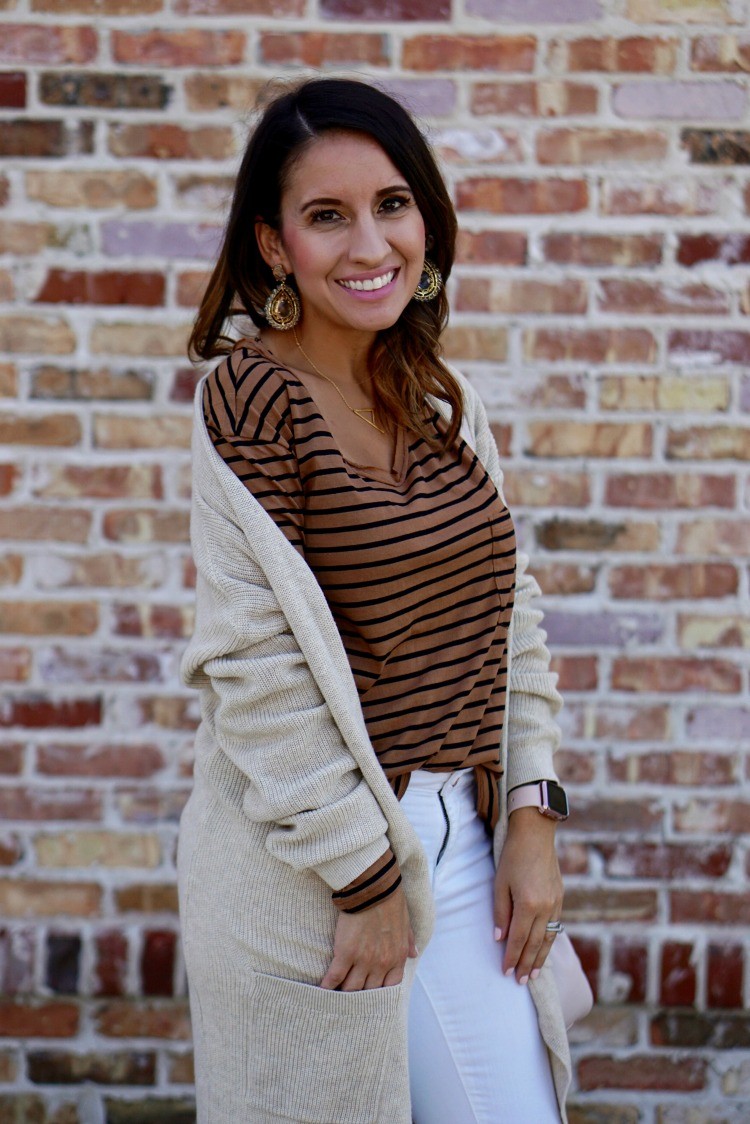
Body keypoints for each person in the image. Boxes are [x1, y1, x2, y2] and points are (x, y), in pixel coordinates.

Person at [178, 76, 572, 1124]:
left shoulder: (439, 396)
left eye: (392, 204)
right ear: (274, 245)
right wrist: (363, 878)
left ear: (426, 219)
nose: (369, 243)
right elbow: (253, 668)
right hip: (317, 865)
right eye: (327, 215)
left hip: (467, 845)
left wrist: (532, 812)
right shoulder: (250, 400)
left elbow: (511, 613)